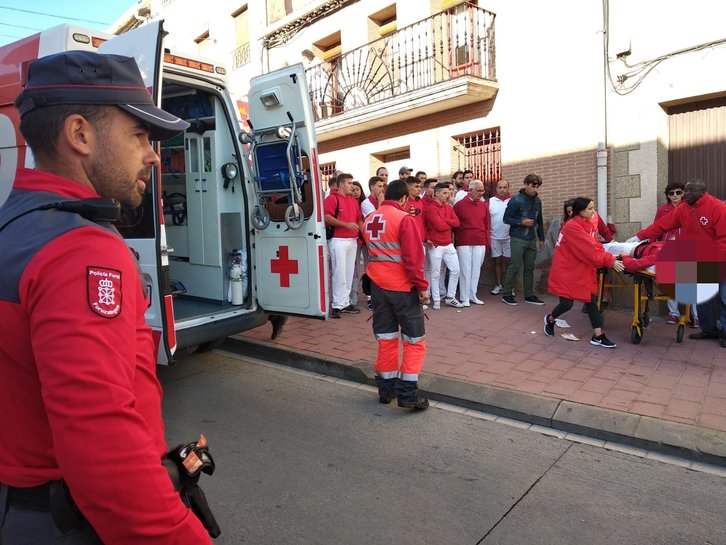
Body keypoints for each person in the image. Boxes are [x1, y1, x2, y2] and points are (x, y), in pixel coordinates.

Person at [0, 51, 213, 543]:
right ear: (80, 134)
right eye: (138, 136)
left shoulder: (14, 224)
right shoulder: (81, 249)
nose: (153, 154)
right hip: (64, 524)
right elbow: (103, 446)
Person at [362, 180, 430, 410]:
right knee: (414, 342)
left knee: (387, 339)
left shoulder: (370, 219)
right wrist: (422, 287)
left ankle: (386, 390)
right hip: (402, 288)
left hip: (378, 289)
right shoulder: (404, 219)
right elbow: (412, 259)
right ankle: (407, 394)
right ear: (403, 199)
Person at [635, 179, 726, 347]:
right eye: (686, 191)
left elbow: (723, 239)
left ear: (702, 192)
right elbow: (662, 224)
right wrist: (640, 236)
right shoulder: (684, 208)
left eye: (690, 192)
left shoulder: (718, 207)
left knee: (723, 297)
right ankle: (709, 330)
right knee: (703, 297)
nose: (686, 195)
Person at [544, 197, 625, 348]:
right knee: (566, 304)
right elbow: (589, 250)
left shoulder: (586, 223)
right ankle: (550, 319)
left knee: (591, 301)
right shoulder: (572, 227)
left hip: (581, 268)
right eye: (590, 209)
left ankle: (598, 336)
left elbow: (595, 246)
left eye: (593, 208)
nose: (594, 212)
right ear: (580, 212)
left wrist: (610, 256)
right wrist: (610, 261)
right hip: (566, 270)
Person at [501, 174, 546, 306]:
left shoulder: (538, 201)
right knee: (514, 266)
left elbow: (540, 220)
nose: (535, 189)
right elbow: (506, 219)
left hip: (532, 238)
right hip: (518, 238)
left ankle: (529, 295)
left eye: (537, 187)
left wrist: (542, 238)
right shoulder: (516, 200)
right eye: (533, 186)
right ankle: (507, 294)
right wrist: (522, 222)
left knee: (529, 268)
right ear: (526, 184)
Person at [324, 173, 363, 318]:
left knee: (347, 272)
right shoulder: (332, 199)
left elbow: (359, 218)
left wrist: (363, 233)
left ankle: (344, 302)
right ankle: (336, 305)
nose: (352, 186)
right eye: (349, 183)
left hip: (352, 240)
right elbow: (326, 217)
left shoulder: (353, 201)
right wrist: (346, 225)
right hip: (338, 240)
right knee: (339, 272)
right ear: (341, 184)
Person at [653, 182, 691, 325]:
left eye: (678, 192)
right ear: (667, 196)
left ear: (683, 193)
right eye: (671, 193)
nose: (675, 196)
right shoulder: (663, 210)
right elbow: (656, 227)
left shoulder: (690, 208)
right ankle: (673, 313)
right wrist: (651, 244)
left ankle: (696, 316)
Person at [424, 182, 463, 309]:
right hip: (436, 246)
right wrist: (448, 223)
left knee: (456, 270)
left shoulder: (448, 207)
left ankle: (450, 297)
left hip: (448, 244)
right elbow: (440, 227)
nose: (448, 195)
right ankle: (435, 299)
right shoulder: (430, 208)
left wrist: (446, 221)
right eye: (445, 193)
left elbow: (457, 222)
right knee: (435, 273)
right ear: (437, 193)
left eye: (448, 193)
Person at [453, 180, 490, 306]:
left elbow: (486, 225)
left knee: (476, 269)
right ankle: (464, 297)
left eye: (482, 190)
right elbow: (454, 225)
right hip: (464, 241)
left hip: (480, 240)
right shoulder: (459, 205)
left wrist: (486, 241)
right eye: (479, 191)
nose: (481, 193)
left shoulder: (483, 205)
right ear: (471, 190)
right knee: (465, 269)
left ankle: (473, 295)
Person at [488, 179, 512, 295]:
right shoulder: (490, 202)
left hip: (509, 237)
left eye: (505, 187)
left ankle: (508, 286)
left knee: (507, 263)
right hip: (494, 237)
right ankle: (498, 284)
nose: (502, 189)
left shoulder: (513, 201)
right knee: (497, 262)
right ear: (496, 188)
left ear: (508, 188)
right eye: (500, 187)